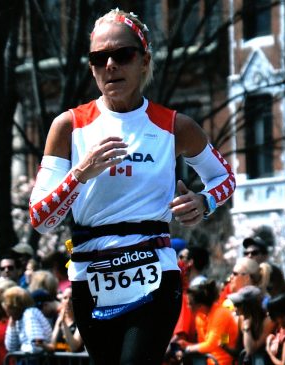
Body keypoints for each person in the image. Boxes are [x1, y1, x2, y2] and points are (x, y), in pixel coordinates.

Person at [28, 8, 235, 364]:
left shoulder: (173, 125)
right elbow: (41, 218)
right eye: (99, 58)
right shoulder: (68, 126)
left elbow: (225, 179)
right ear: (91, 67)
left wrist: (204, 202)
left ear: (143, 61)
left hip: (154, 274)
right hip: (90, 277)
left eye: (122, 55)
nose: (110, 65)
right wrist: (80, 174)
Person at [178, 280, 238, 365]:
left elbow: (211, 345)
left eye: (190, 304)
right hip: (210, 361)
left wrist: (188, 348)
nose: (187, 307)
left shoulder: (221, 314)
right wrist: (185, 345)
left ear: (200, 306)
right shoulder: (200, 317)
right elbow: (203, 345)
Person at [227, 286, 275, 364]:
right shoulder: (241, 319)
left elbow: (250, 350)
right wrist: (225, 347)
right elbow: (239, 350)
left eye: (238, 304)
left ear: (249, 306)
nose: (235, 308)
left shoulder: (268, 321)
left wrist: (247, 328)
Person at [3, 286, 53, 354]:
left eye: (6, 304)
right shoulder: (17, 318)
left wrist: (22, 347)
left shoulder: (30, 314)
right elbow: (11, 347)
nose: (5, 308)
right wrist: (12, 326)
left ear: (14, 306)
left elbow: (37, 347)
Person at [43, 287, 84, 353]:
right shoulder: (58, 319)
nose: (68, 301)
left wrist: (63, 323)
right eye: (65, 298)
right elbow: (52, 344)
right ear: (61, 301)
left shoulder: (81, 320)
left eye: (71, 298)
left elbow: (74, 347)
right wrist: (42, 344)